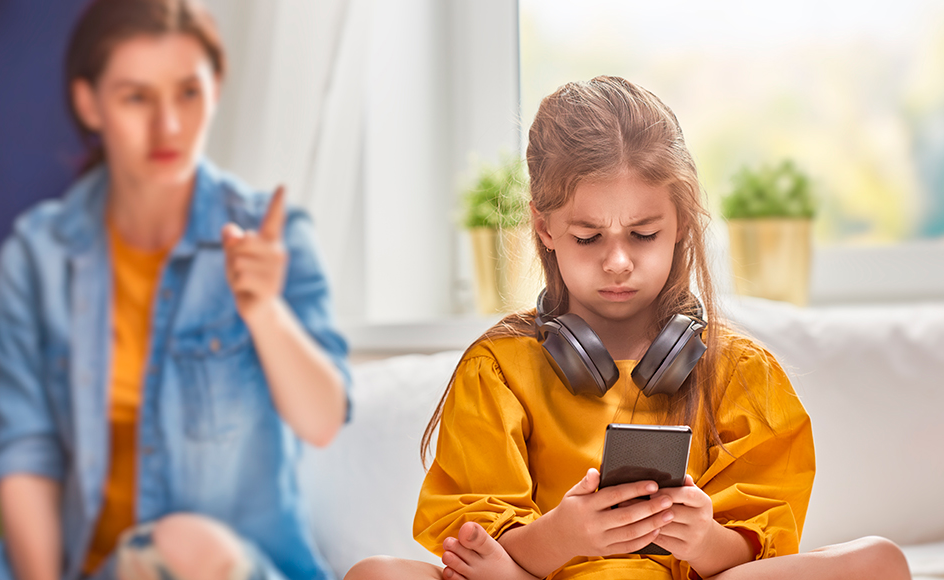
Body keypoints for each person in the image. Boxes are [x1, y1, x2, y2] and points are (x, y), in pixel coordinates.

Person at [344, 76, 911, 580]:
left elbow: (756, 550)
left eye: (643, 234)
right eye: (588, 237)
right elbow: (471, 544)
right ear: (544, 227)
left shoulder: (740, 371)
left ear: (681, 223)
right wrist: (564, 537)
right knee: (374, 574)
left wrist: (704, 539)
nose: (617, 262)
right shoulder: (499, 368)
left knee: (880, 561)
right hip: (549, 575)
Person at [0, 1, 350, 580]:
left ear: (216, 89)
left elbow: (323, 420)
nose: (168, 125)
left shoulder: (274, 233)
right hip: (76, 565)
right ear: (90, 103)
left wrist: (265, 311)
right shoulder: (39, 254)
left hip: (215, 565)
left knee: (185, 543)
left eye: (188, 92)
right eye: (136, 97)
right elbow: (28, 450)